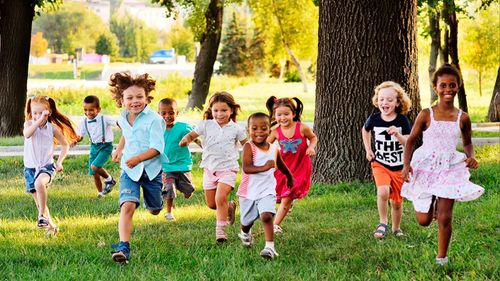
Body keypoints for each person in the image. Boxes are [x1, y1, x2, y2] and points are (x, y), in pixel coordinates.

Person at [402, 64, 485, 266]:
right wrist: (406, 166)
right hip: (426, 166)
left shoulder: (462, 117)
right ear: (435, 87)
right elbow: (411, 140)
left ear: (458, 87)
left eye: (452, 85)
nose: (448, 89)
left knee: (445, 217)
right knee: (423, 221)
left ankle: (442, 257)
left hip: (450, 168)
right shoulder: (426, 114)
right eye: (443, 85)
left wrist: (470, 157)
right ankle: (431, 201)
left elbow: (467, 143)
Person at [109, 72, 165, 263]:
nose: (135, 101)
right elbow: (127, 133)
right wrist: (119, 148)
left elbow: (157, 148)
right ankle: (123, 247)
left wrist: (139, 158)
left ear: (147, 98)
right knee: (128, 206)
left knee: (155, 209)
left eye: (139, 97)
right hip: (129, 170)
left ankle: (158, 201)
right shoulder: (123, 117)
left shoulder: (155, 120)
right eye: (130, 97)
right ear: (122, 99)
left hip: (151, 171)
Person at [180, 91, 247, 242]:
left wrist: (254, 159)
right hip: (210, 170)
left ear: (231, 110)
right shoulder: (206, 125)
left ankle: (221, 232)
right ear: (211, 110)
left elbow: (247, 145)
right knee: (212, 204)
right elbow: (192, 135)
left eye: (224, 110)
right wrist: (186, 139)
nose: (219, 114)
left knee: (219, 197)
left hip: (228, 169)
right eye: (216, 110)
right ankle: (229, 207)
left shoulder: (236, 128)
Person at [236, 112, 294, 259]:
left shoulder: (274, 148)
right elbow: (247, 168)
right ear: (248, 130)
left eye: (263, 128)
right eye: (254, 128)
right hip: (248, 192)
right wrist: (264, 167)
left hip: (267, 190)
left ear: (270, 130)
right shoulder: (249, 147)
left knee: (267, 216)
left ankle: (269, 247)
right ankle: (244, 233)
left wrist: (289, 176)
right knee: (246, 221)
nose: (259, 132)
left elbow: (280, 164)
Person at [361, 81, 412, 238]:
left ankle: (396, 228)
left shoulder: (402, 121)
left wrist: (397, 134)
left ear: (398, 102)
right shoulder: (374, 119)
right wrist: (368, 150)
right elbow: (365, 130)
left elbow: (409, 142)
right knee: (382, 191)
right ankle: (382, 222)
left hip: (398, 167)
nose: (385, 103)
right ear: (377, 101)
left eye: (390, 100)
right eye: (382, 99)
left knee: (396, 203)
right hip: (380, 164)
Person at [23, 95, 79, 236]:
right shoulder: (29, 124)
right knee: (39, 201)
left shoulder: (52, 129)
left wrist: (59, 161)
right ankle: (52, 227)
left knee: (39, 184)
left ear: (48, 113)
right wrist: (38, 121)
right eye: (34, 113)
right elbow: (27, 135)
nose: (37, 116)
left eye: (41, 113)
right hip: (30, 168)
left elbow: (65, 145)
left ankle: (41, 216)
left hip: (46, 166)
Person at [266, 96, 317, 234]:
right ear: (274, 116)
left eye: (286, 114)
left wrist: (311, 147)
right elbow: (266, 145)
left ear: (293, 114)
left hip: (300, 166)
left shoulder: (302, 128)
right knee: (280, 193)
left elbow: (313, 137)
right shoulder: (276, 131)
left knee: (287, 196)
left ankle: (275, 225)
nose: (283, 117)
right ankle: (288, 203)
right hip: (283, 166)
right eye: (279, 115)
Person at [158, 98, 200, 221]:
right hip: (166, 167)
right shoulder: (157, 129)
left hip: (183, 165)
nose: (167, 116)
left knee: (188, 190)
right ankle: (169, 212)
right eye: (163, 113)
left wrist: (205, 148)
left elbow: (195, 138)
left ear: (177, 113)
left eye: (171, 113)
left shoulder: (183, 127)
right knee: (169, 188)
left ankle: (186, 190)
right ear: (158, 114)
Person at [76, 95, 117, 197]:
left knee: (95, 166)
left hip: (105, 146)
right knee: (94, 173)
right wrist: (75, 140)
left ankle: (109, 180)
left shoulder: (104, 118)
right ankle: (100, 193)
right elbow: (80, 135)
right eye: (85, 110)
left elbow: (117, 122)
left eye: (91, 110)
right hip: (94, 147)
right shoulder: (84, 121)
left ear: (98, 109)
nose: (88, 113)